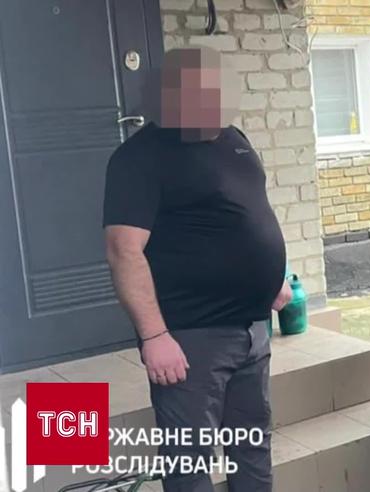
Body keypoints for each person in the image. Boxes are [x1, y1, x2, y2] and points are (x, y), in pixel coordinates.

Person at [103, 47, 286, 492]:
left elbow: (248, 211)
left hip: (251, 329)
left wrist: (272, 279)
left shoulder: (232, 138)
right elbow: (124, 251)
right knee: (189, 462)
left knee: (252, 446)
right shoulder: (138, 157)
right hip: (190, 338)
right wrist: (154, 337)